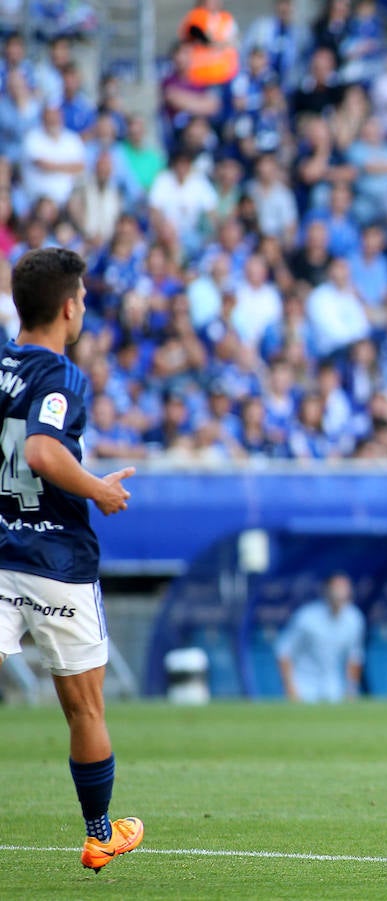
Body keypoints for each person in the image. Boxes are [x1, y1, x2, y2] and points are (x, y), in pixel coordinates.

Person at [0, 247, 142, 870]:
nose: (84, 307)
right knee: (85, 708)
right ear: (67, 307)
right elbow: (42, 452)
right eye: (82, 298)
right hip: (55, 558)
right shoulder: (61, 376)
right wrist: (100, 489)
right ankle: (99, 833)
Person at [274, 571, 365, 703]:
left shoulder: (355, 619)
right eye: (337, 588)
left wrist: (351, 691)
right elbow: (283, 652)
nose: (341, 593)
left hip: (333, 689)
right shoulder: (306, 617)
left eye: (344, 588)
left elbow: (354, 657)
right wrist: (291, 688)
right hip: (303, 686)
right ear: (326, 590)